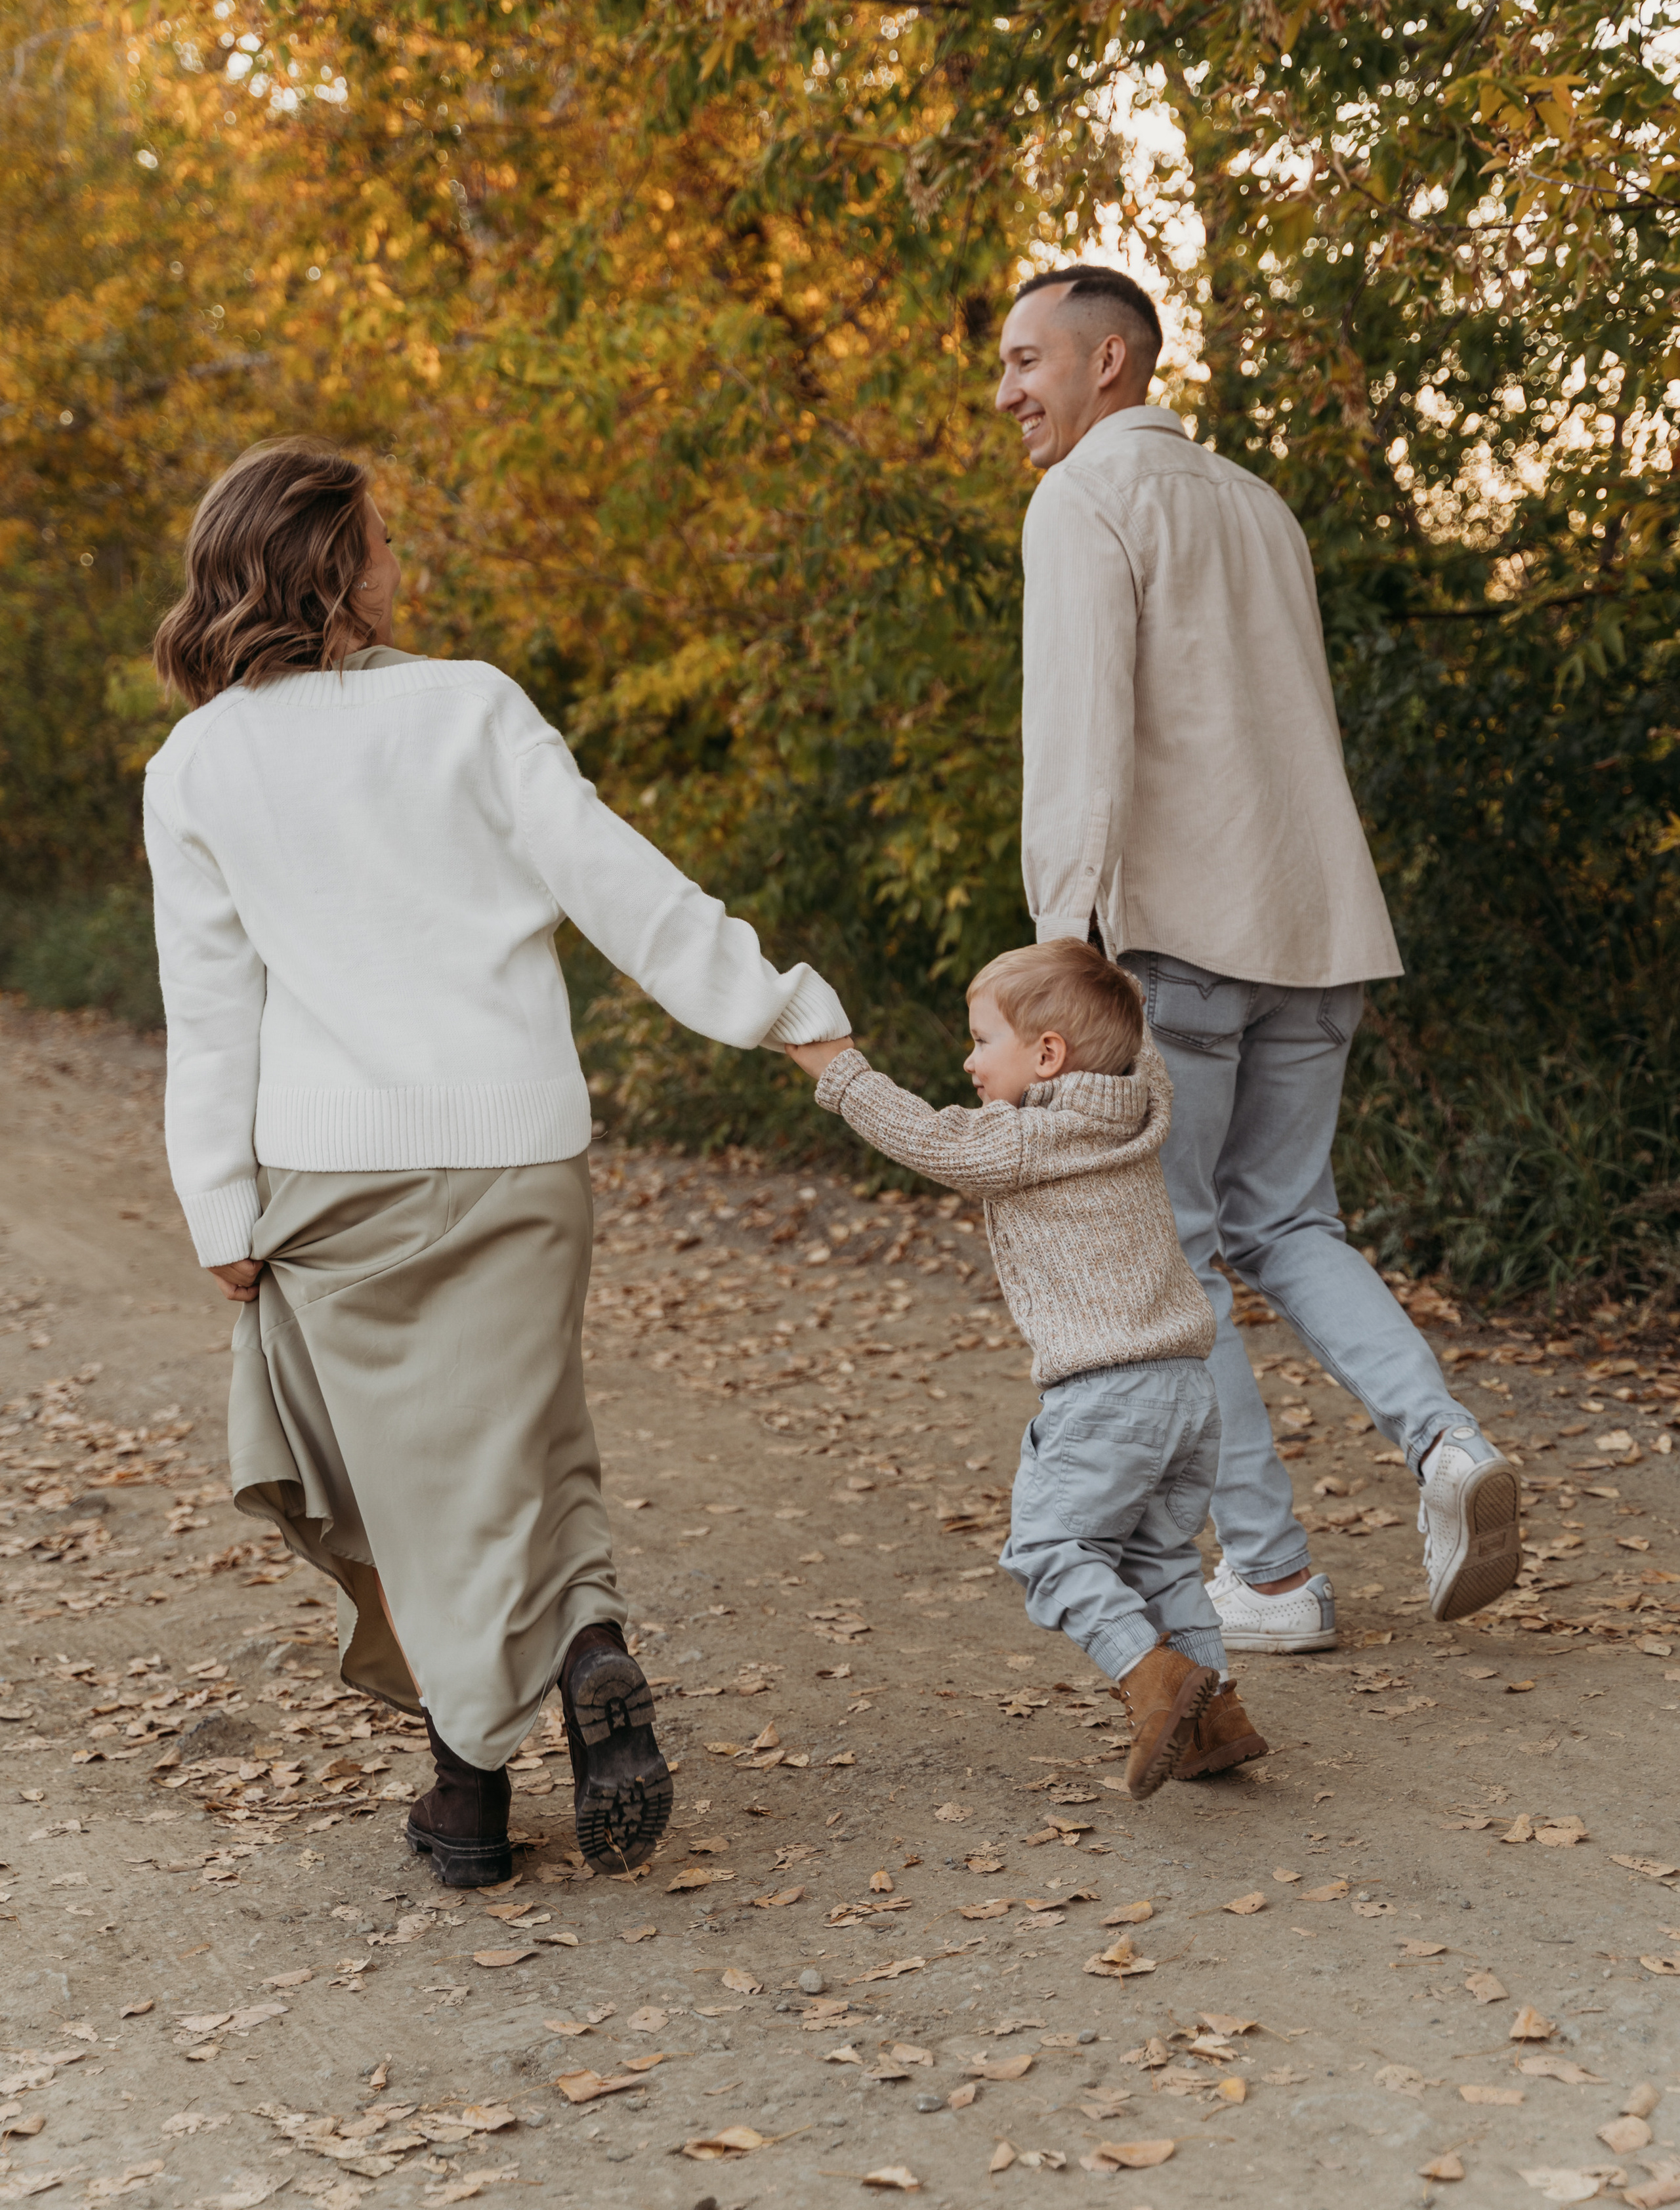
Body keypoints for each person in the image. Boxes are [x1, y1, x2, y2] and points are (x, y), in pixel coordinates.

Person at [145, 435, 850, 1886]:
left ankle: (467, 1801)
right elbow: (617, 882)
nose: (403, 566)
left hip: (333, 1182)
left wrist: (216, 1200)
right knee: (525, 1444)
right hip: (518, 1154)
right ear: (334, 567)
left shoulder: (197, 763)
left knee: (409, 1488)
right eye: (385, 542)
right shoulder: (474, 710)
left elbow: (210, 1013)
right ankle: (580, 1654)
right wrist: (779, 1011)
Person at [996, 266, 1521, 1650]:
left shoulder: (1084, 499)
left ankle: (1275, 1579)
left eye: (1024, 360)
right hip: (1314, 924)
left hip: (1172, 936)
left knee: (1172, 1262)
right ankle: (1446, 1449)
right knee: (1290, 1225)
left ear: (1109, 363)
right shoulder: (1255, 502)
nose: (1006, 394)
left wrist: (1059, 944)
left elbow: (1080, 739)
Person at [788, 940, 1270, 1796]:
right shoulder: (1141, 1103)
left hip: (1105, 1392)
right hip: (1187, 1389)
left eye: (981, 1041)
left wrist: (840, 1071)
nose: (967, 1062)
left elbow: (927, 1137)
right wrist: (1092, 951)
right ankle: (1215, 1716)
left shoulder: (1025, 1141)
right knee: (1160, 1559)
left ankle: (1153, 1683)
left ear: (1048, 1055)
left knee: (1049, 1548)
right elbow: (1137, 1039)